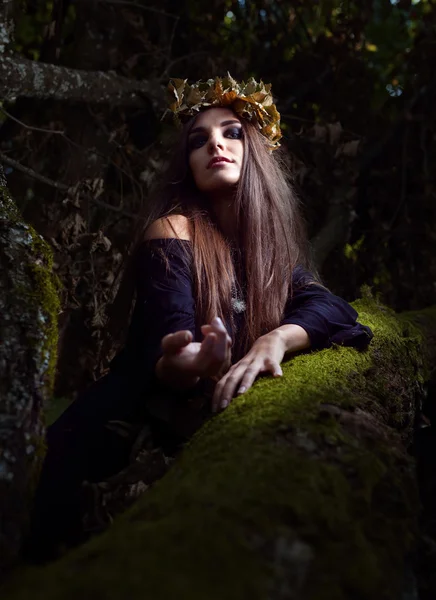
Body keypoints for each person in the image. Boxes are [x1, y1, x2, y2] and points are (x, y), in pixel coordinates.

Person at [25, 74, 373, 561]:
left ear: (256, 153)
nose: (216, 144)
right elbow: (167, 347)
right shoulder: (174, 230)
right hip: (102, 449)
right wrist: (190, 359)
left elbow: (335, 310)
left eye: (231, 132)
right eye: (198, 140)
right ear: (187, 165)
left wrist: (274, 340)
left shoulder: (270, 256)